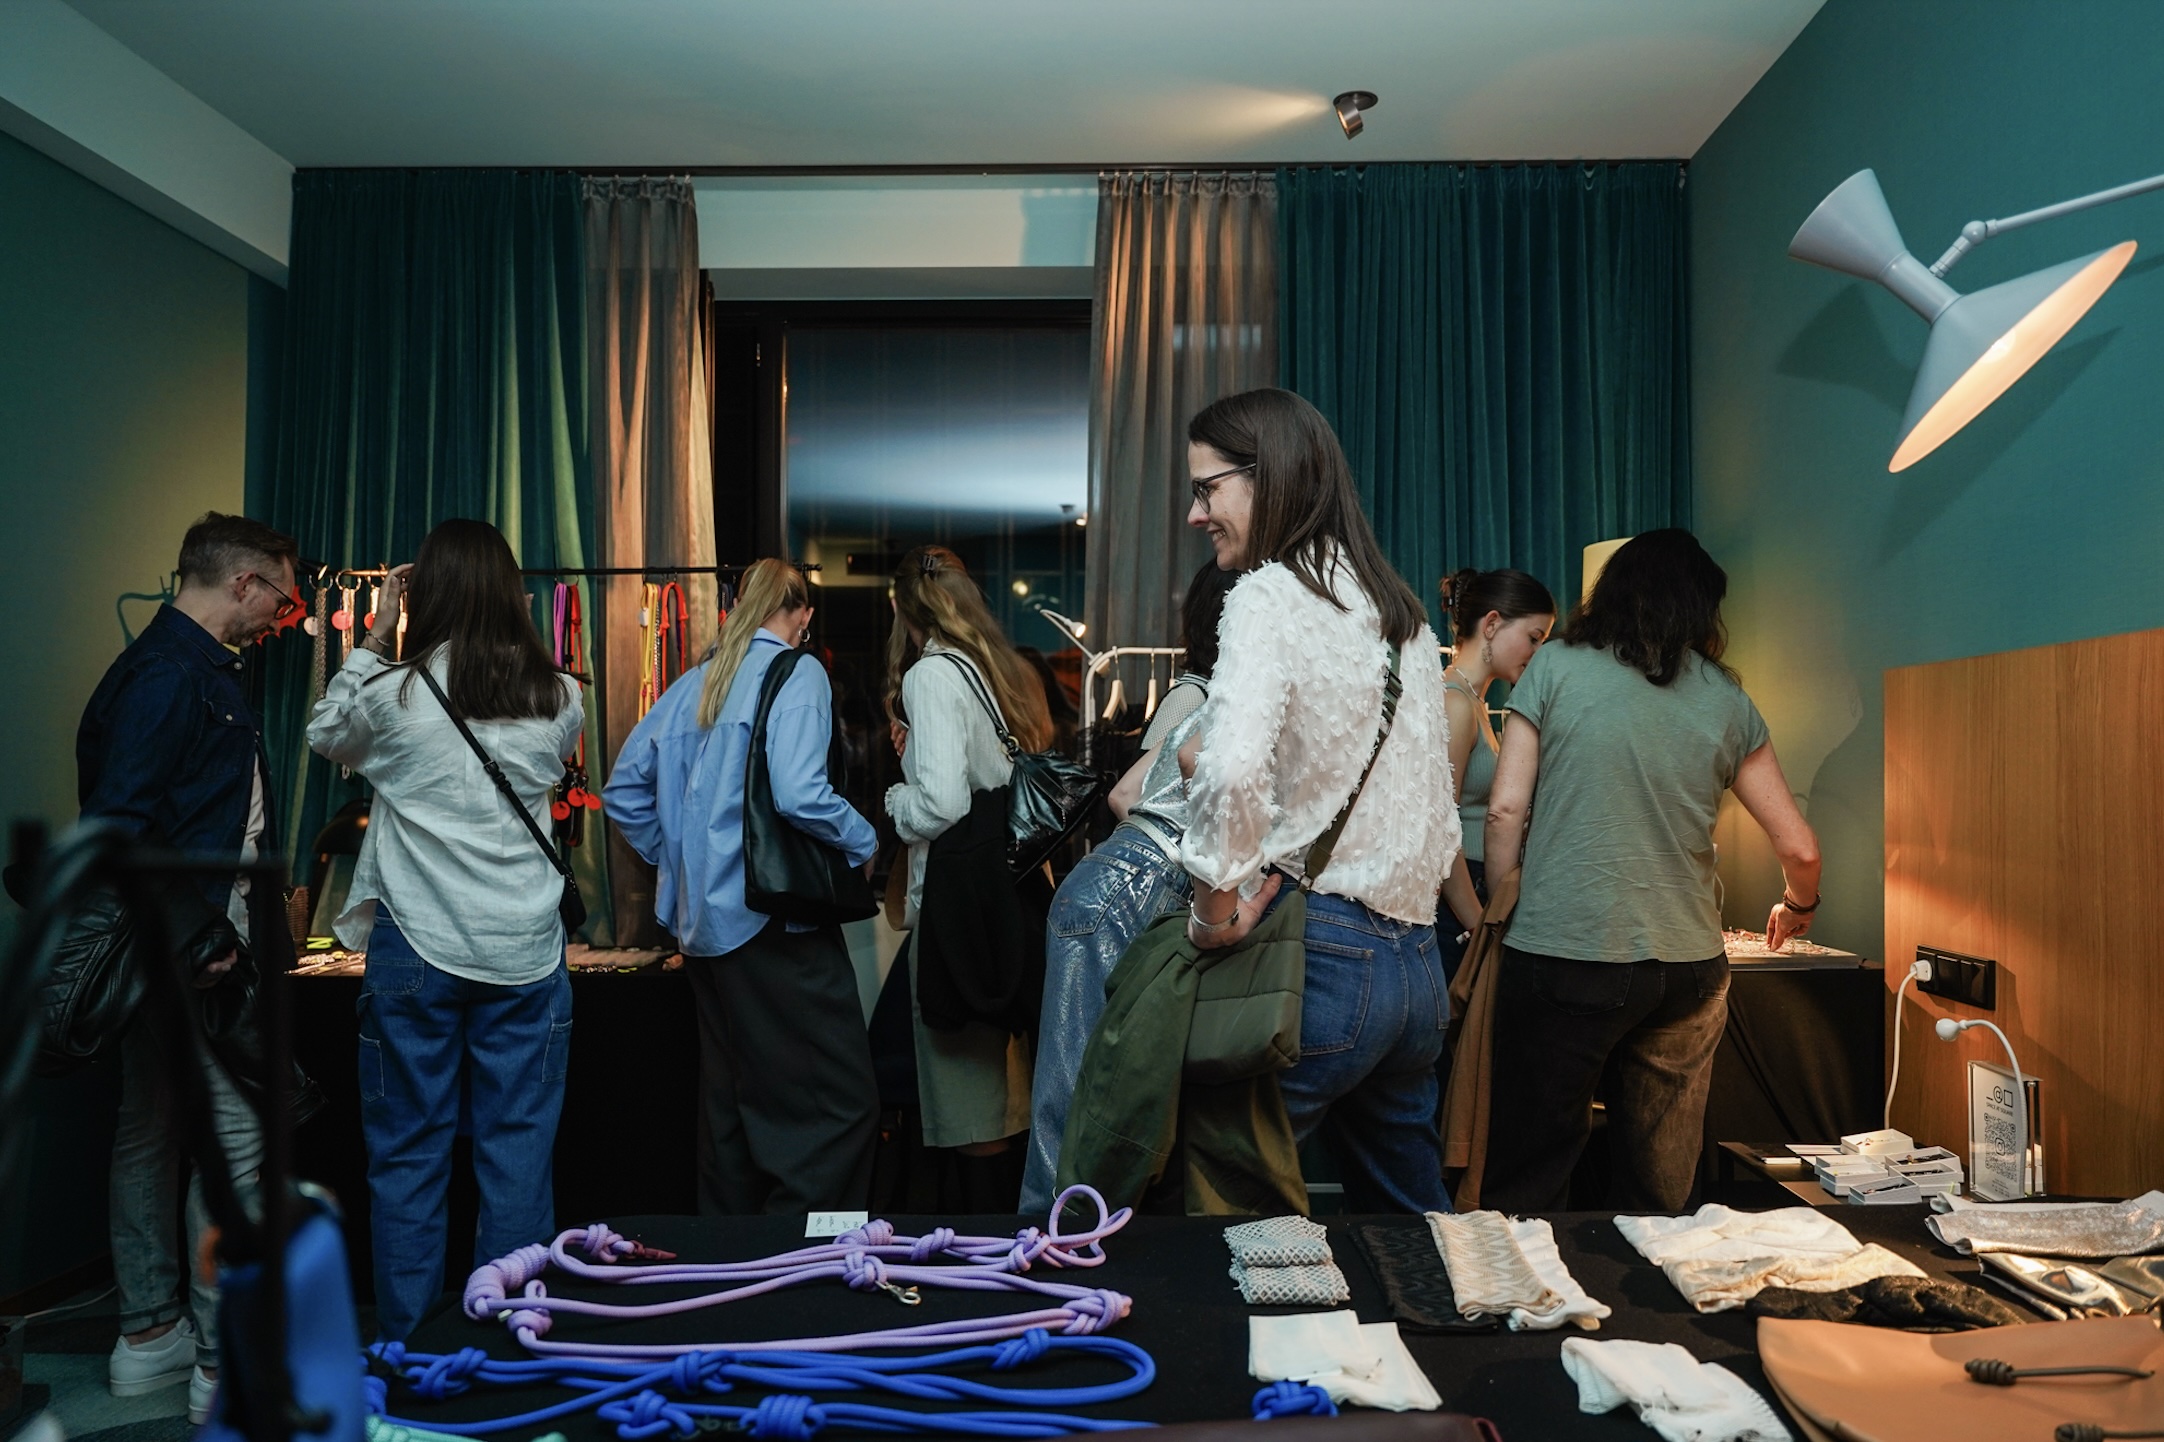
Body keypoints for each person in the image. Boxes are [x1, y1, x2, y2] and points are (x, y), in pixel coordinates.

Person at [1479, 528, 1822, 1213]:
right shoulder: (1725, 697)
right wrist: (1798, 906)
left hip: (1563, 950)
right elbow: (1800, 848)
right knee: (1658, 1186)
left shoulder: (1553, 666)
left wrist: (1504, 903)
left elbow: (1504, 810)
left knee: (1531, 1171)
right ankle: (1652, 1279)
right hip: (1686, 967)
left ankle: (1529, 1277)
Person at [1178, 388, 1461, 1215]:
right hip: (1417, 968)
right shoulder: (1402, 615)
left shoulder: (1267, 596)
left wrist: (1212, 913)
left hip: (1322, 957)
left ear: (1267, 477)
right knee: (1411, 1226)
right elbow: (1437, 809)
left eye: (1206, 488)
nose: (1197, 514)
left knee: (1226, 1215)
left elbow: (1231, 771)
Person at [305, 518, 585, 1340]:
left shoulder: (393, 697)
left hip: (417, 948)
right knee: (518, 1155)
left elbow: (325, 733)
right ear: (511, 593)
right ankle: (507, 1344)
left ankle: (411, 1351)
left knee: (408, 1157)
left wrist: (377, 636)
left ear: (421, 594)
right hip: (524, 949)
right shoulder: (561, 697)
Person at [77, 512, 297, 1422]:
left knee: (151, 1129)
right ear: (243, 582)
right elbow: (116, 831)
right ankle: (220, 1359)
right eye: (281, 599)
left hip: (175, 944)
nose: (282, 618)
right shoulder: (172, 675)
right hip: (196, 950)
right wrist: (199, 938)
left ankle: (147, 1335)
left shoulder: (175, 667)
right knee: (236, 1146)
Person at [603, 559, 880, 1214]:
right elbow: (799, 791)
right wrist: (863, 842)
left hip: (704, 931)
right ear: (803, 614)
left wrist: (681, 859)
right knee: (834, 1107)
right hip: (773, 924)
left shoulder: (696, 683)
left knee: (731, 1111)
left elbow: (623, 790)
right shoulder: (798, 672)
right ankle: (812, 1254)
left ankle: (733, 1252)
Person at [1020, 560, 1239, 1215]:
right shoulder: (1203, 698)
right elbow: (1135, 793)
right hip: (1133, 884)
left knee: (1104, 1090)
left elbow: (1132, 792)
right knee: (1074, 1096)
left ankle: (1071, 1234)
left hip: (1123, 884)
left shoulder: (1224, 698)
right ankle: (1048, 1240)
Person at [884, 545, 1053, 1207]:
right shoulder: (986, 668)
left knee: (969, 1106)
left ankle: (987, 1245)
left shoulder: (929, 675)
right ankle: (1011, 1236)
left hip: (957, 911)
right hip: (1001, 902)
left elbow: (942, 804)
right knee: (1001, 1095)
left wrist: (897, 798)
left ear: (904, 607)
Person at [1435, 568, 1555, 964]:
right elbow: (1440, 829)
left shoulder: (1474, 702)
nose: (1537, 654)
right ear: (1491, 624)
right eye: (1533, 638)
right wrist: (1479, 926)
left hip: (1475, 892)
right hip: (1458, 904)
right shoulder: (1455, 702)